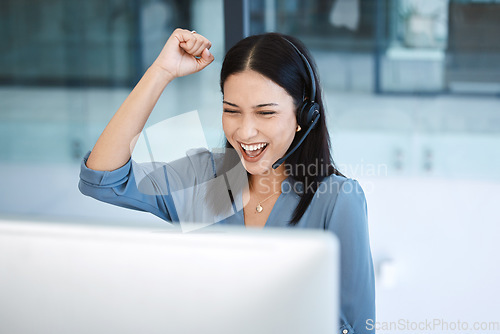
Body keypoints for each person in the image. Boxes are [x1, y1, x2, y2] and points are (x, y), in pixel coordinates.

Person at [79, 28, 375, 333]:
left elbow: (358, 326)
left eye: (265, 113)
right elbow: (103, 180)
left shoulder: (338, 199)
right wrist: (161, 72)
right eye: (231, 111)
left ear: (305, 116)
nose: (245, 132)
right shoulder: (207, 176)